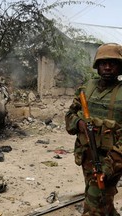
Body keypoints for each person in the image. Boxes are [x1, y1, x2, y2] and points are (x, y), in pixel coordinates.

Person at [65, 43, 122, 216]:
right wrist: (78, 123)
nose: (107, 67)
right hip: (86, 155)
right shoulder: (86, 88)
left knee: (92, 207)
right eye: (103, 63)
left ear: (120, 67)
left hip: (111, 160)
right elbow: (69, 115)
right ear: (97, 66)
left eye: (112, 63)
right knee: (102, 203)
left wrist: (108, 166)